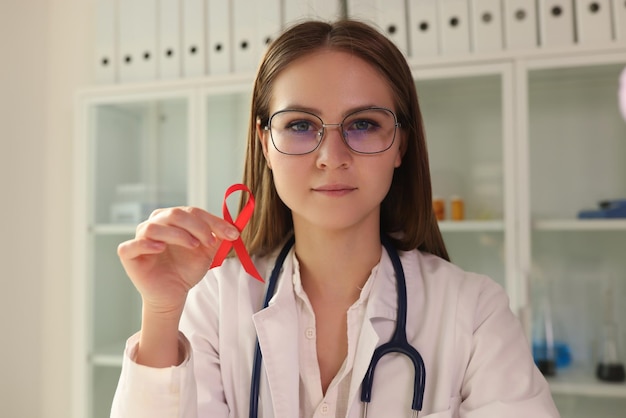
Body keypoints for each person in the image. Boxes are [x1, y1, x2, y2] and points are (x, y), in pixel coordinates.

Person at [111, 19, 560, 418]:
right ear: (265, 144)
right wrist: (163, 311)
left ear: (401, 144)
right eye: (301, 125)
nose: (332, 157)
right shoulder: (215, 304)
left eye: (363, 123)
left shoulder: (474, 312)